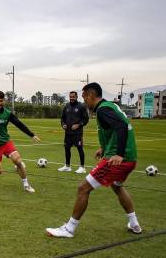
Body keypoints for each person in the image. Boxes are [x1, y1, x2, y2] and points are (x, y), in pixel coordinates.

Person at [46, 83, 142, 238]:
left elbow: (122, 126)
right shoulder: (109, 107)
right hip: (130, 159)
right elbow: (114, 130)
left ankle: (69, 229)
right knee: (117, 187)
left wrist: (118, 153)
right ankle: (134, 223)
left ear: (91, 95)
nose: (84, 101)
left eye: (84, 97)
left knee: (83, 188)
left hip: (117, 160)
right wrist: (105, 148)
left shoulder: (103, 110)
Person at [0, 91, 41, 193]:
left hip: (5, 142)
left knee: (18, 161)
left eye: (1, 101)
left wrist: (31, 134)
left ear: (3, 101)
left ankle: (26, 185)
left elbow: (19, 124)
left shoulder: (7, 113)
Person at [58, 91, 90, 174]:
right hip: (68, 133)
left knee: (80, 149)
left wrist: (78, 125)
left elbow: (86, 119)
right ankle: (67, 166)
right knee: (67, 149)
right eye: (70, 97)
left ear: (76, 97)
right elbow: (62, 118)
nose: (71, 98)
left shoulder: (81, 106)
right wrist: (63, 124)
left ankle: (82, 167)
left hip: (77, 133)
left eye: (73, 97)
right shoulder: (67, 106)